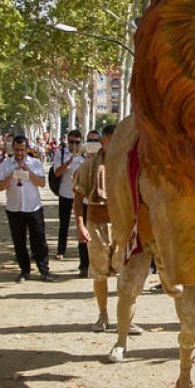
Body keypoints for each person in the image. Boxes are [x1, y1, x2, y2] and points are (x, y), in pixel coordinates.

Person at [74, 124, 139, 334]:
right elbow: (78, 197)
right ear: (103, 141)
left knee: (126, 274)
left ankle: (127, 320)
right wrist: (80, 226)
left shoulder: (129, 166)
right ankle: (103, 315)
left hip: (123, 224)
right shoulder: (88, 167)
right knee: (99, 274)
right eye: (112, 140)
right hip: (97, 223)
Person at [0, 135, 56, 283]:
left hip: (33, 207)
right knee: (19, 242)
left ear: (26, 149)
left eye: (22, 150)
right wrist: (11, 175)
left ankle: (44, 270)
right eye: (16, 150)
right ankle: (24, 270)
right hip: (14, 209)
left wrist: (28, 171)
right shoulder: (5, 164)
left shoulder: (35, 163)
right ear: (12, 149)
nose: (19, 153)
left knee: (39, 241)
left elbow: (41, 183)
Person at [52, 130, 86, 267]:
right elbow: (57, 172)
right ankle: (61, 250)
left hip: (81, 194)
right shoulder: (60, 154)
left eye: (77, 142)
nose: (74, 145)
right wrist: (69, 161)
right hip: (65, 193)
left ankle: (83, 251)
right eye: (71, 142)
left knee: (82, 224)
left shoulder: (85, 154)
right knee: (64, 223)